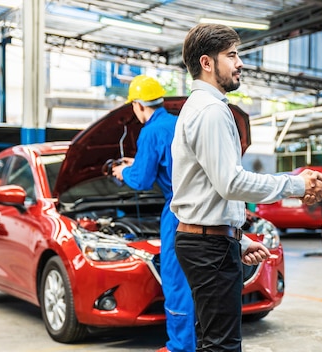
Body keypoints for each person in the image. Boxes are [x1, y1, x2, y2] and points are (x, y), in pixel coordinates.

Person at [170, 23, 322, 352]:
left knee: (212, 342)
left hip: (207, 242)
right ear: (207, 63)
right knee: (223, 347)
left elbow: (209, 188)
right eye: (231, 55)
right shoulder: (212, 111)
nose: (240, 62)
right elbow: (231, 182)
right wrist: (295, 184)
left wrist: (236, 240)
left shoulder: (199, 107)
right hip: (207, 249)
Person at [111, 75, 195, 352]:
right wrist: (138, 162)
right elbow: (169, 162)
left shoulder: (150, 131)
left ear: (137, 105)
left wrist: (124, 171)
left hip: (177, 211)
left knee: (176, 279)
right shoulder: (179, 122)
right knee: (201, 279)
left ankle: (180, 347)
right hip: (203, 207)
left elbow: (142, 180)